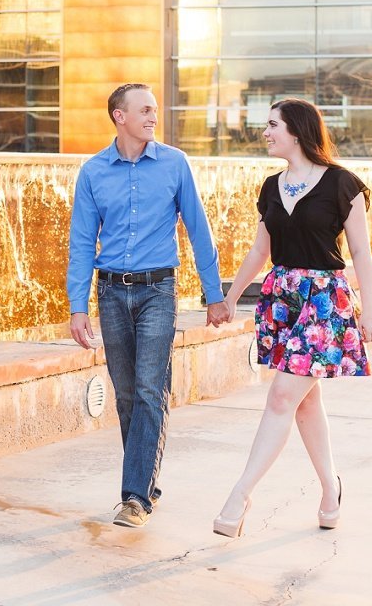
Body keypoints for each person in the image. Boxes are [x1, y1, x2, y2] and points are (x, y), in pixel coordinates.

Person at [212, 98, 372, 538]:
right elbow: (259, 251)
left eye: (272, 125)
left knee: (282, 398)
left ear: (298, 130)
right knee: (304, 401)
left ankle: (239, 496)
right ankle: (330, 489)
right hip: (283, 298)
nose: (265, 133)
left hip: (325, 302)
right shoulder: (271, 186)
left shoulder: (343, 184)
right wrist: (229, 297)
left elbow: (361, 251)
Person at [67, 83, 229, 529]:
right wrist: (77, 306)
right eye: (144, 110)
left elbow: (199, 229)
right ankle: (146, 477)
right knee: (124, 396)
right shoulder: (94, 172)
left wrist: (214, 294)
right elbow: (81, 242)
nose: (153, 116)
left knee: (148, 390)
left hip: (159, 290)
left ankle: (135, 496)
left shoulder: (175, 164)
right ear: (119, 116)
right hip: (111, 293)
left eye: (155, 109)